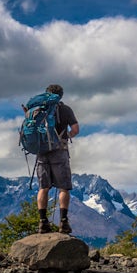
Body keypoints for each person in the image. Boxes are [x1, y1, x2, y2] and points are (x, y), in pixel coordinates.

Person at [37, 84, 79, 234]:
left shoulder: (37, 108)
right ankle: (63, 223)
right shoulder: (66, 109)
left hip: (41, 152)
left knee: (43, 188)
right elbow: (75, 129)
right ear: (61, 95)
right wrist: (66, 137)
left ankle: (43, 223)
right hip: (59, 151)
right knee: (63, 187)